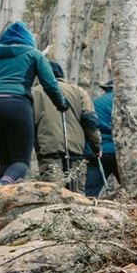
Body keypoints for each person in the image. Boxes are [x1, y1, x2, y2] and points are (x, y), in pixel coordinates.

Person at [0, 21, 69, 185]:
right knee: (21, 162)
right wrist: (61, 104)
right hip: (17, 106)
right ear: (28, 41)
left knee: (6, 162)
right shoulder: (34, 54)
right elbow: (50, 84)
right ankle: (1, 186)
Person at [31, 60, 100, 191]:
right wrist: (96, 146)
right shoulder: (79, 91)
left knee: (53, 194)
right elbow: (90, 121)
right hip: (76, 151)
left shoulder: (34, 93)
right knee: (77, 196)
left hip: (49, 150)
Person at [85, 82, 120, 196]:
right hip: (120, 152)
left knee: (89, 193)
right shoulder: (125, 103)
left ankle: (86, 211)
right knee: (134, 191)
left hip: (97, 152)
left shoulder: (95, 103)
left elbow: (89, 126)